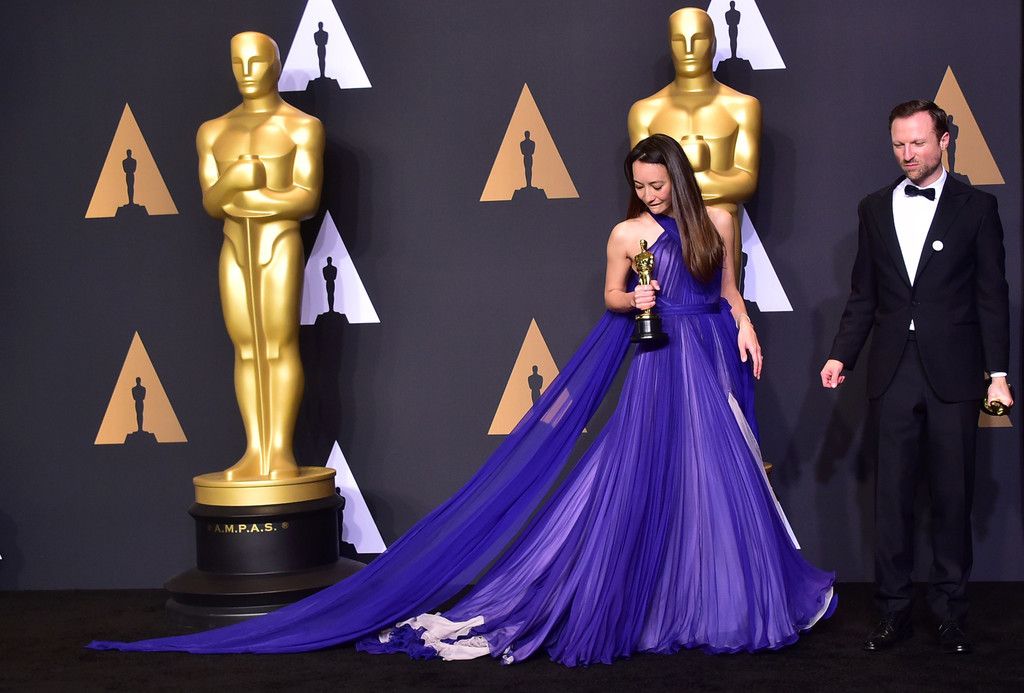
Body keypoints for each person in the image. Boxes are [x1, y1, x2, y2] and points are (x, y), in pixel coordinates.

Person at [90, 135, 834, 664]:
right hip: (657, 359)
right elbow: (613, 295)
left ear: (678, 176)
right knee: (646, 479)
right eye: (639, 186)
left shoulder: (719, 221)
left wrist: (745, 327)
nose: (649, 195)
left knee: (720, 482)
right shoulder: (625, 233)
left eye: (657, 185)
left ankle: (721, 601)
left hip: (710, 355)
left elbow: (730, 289)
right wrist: (631, 296)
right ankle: (653, 602)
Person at [820, 100, 1011, 654]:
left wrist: (998, 374)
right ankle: (892, 612)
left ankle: (950, 613)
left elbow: (992, 297)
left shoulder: (978, 207)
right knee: (891, 498)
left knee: (953, 495)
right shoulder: (873, 208)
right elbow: (863, 294)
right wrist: (841, 356)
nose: (907, 154)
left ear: (944, 140)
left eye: (918, 143)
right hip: (891, 369)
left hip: (954, 371)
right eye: (899, 145)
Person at [195, 31, 325, 480]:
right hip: (234, 245)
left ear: (276, 64)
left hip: (278, 243)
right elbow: (212, 203)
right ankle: (255, 449)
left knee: (278, 344)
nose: (246, 72)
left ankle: (280, 451)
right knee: (246, 348)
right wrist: (234, 182)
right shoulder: (213, 131)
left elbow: (305, 198)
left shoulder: (301, 127)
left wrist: (251, 195)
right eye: (238, 62)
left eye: (256, 62)